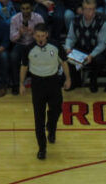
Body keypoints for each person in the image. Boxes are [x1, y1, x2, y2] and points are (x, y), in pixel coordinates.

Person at [20, 25, 70, 160]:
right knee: (39, 120)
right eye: (38, 36)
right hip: (37, 85)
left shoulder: (56, 46)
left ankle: (51, 127)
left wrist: (68, 79)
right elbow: (24, 67)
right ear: (34, 35)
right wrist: (21, 84)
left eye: (43, 36)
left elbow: (64, 62)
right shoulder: (28, 49)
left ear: (47, 35)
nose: (40, 39)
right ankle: (42, 149)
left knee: (57, 110)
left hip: (53, 82)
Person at [65, 0, 106, 92]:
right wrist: (68, 47)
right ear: (82, 10)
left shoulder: (101, 22)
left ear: (95, 10)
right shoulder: (75, 20)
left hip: (95, 50)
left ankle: (93, 81)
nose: (89, 12)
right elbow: (70, 38)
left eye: (92, 9)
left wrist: (91, 55)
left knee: (99, 59)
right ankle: (75, 81)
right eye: (87, 9)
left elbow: (102, 43)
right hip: (81, 48)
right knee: (68, 56)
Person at [9, 0, 43, 93]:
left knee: (41, 56)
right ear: (20, 9)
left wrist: (34, 33)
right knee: (13, 57)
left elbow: (44, 37)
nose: (25, 11)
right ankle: (16, 84)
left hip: (34, 44)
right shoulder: (15, 19)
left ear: (31, 8)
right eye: (23, 9)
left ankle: (38, 84)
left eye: (27, 8)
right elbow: (12, 38)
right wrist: (19, 34)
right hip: (20, 43)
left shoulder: (38, 18)